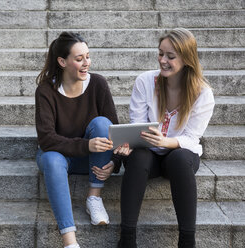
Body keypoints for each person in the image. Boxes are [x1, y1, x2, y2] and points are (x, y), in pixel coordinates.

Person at [113, 28, 215, 248]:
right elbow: (137, 125)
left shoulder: (202, 93)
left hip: (178, 158)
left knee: (179, 158)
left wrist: (165, 142)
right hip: (148, 154)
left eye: (170, 56)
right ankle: (127, 239)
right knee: (139, 157)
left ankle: (187, 241)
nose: (163, 61)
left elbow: (192, 138)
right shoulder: (145, 81)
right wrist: (128, 145)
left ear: (187, 59)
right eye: (160, 54)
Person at [35, 32, 122, 248]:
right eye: (79, 58)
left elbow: (115, 131)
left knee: (102, 123)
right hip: (58, 157)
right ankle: (70, 241)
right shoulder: (46, 90)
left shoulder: (98, 84)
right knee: (52, 159)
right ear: (62, 62)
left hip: (91, 160)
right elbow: (46, 139)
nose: (86, 63)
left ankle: (94, 197)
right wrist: (86, 145)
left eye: (88, 56)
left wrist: (115, 163)